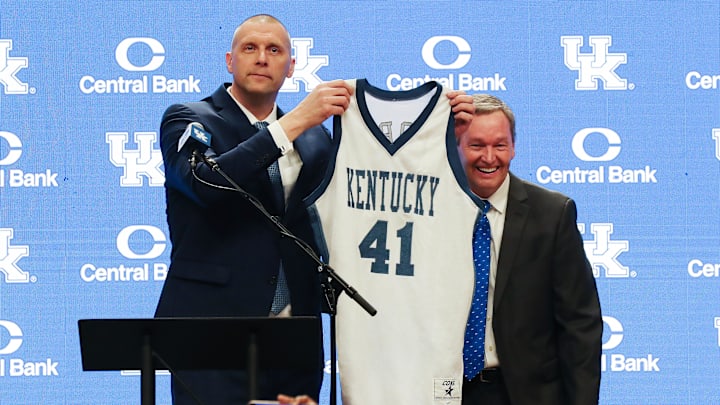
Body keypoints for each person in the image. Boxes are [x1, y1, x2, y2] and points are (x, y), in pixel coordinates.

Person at [154, 14, 475, 405]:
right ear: (229, 60)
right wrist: (291, 124)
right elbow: (206, 184)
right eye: (249, 48)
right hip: (211, 330)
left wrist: (446, 139)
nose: (261, 58)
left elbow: (370, 189)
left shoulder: (316, 139)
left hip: (296, 333)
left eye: (274, 50)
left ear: (290, 67)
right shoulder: (189, 117)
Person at [455, 94, 602, 405]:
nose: (489, 157)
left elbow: (580, 323)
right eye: (477, 145)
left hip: (526, 393)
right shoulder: (429, 209)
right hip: (443, 392)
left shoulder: (552, 214)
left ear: (514, 147)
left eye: (500, 145)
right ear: (455, 148)